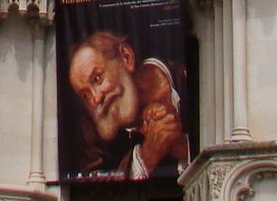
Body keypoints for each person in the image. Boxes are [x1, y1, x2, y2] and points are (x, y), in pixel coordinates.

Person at [66, 29, 191, 178]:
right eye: (85, 95)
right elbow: (100, 191)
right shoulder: (92, 142)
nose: (96, 99)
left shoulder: (186, 79)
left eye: (97, 79)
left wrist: (182, 147)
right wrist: (146, 156)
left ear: (126, 58)